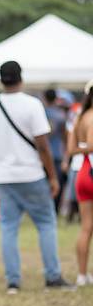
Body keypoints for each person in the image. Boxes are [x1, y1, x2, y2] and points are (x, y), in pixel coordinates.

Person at [0, 61, 74, 293]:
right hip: (32, 174)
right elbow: (43, 146)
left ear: (1, 80)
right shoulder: (33, 105)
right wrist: (52, 176)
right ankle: (53, 276)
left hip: (3, 177)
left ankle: (13, 281)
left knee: (8, 228)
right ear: (21, 78)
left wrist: (1, 147)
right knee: (46, 224)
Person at [68, 80, 93, 286]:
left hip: (83, 173)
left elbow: (71, 150)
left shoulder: (80, 117)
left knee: (86, 227)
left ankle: (82, 275)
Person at [44, 88, 68, 211]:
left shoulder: (41, 113)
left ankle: (43, 208)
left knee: (43, 183)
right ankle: (54, 209)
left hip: (42, 155)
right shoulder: (61, 115)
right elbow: (65, 138)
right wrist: (66, 157)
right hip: (57, 154)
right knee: (57, 183)